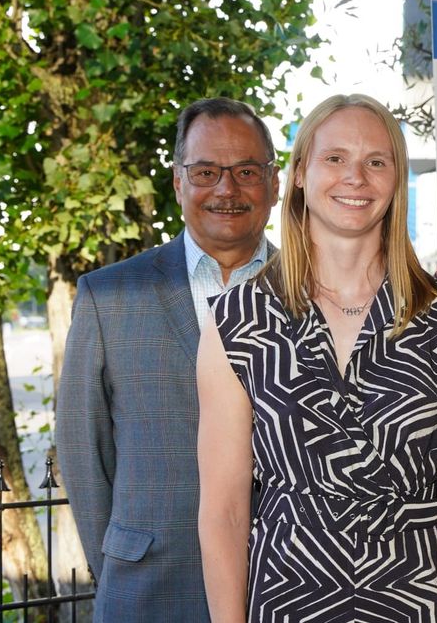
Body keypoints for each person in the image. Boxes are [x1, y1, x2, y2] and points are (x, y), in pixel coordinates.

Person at [196, 93, 437, 623]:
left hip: (414, 603)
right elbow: (224, 511)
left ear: (396, 182)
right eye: (335, 158)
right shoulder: (237, 321)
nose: (356, 177)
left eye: (376, 162)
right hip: (287, 602)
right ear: (300, 174)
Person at [56, 97, 280, 621]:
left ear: (274, 184)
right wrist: (118, 563)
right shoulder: (109, 296)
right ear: (178, 182)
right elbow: (83, 449)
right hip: (149, 589)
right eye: (205, 172)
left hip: (286, 584)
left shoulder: (315, 294)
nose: (226, 189)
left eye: (247, 171)